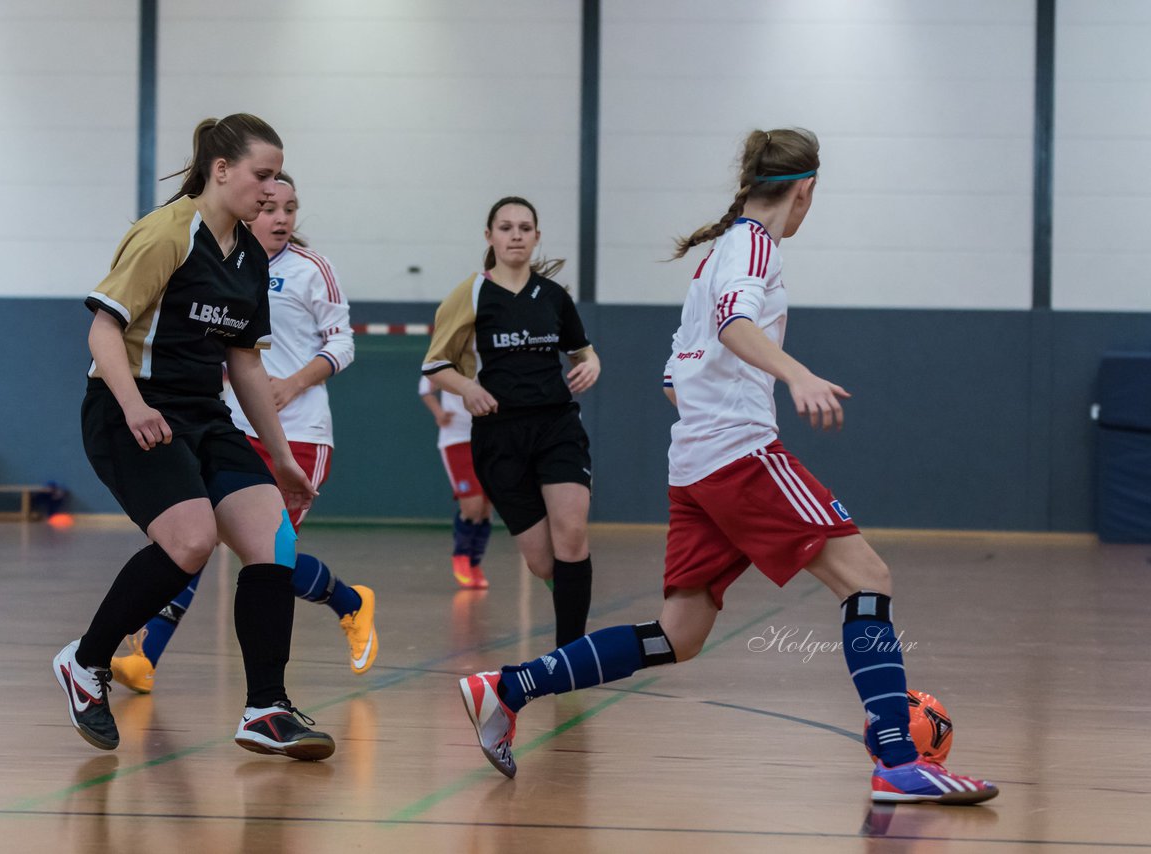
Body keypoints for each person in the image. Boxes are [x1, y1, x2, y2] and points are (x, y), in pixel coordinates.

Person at [456, 129, 999, 805]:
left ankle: (507, 688)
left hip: (694, 465)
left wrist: (725, 400)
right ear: (804, 190)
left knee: (677, 637)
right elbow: (736, 327)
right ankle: (897, 758)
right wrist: (795, 376)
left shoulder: (718, 254)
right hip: (739, 455)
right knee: (868, 577)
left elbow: (673, 378)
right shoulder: (753, 247)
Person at [53, 114, 368, 761]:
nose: (270, 188)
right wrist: (135, 403)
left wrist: (280, 458)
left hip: (204, 414)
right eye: (262, 174)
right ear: (221, 171)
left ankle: (265, 709)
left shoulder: (248, 257)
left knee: (273, 537)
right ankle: (85, 664)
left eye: (278, 176)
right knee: (192, 539)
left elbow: (245, 362)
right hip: (128, 411)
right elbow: (103, 332)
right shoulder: (166, 234)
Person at [109, 171, 375, 694]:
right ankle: (147, 655)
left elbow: (344, 344)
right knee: (196, 536)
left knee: (271, 557)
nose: (280, 218)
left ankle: (351, 603)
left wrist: (293, 384)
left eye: (290, 209)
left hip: (299, 431)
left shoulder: (311, 269)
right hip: (227, 423)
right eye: (271, 206)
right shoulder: (213, 261)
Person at [422, 197, 601, 647]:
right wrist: (468, 389)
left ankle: (571, 653)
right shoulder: (470, 294)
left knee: (572, 534)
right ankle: (570, 624)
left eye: (525, 227)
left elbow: (582, 350)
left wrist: (592, 362)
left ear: (537, 237)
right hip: (499, 436)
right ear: (490, 237)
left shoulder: (554, 296)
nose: (516, 235)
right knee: (543, 562)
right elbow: (436, 365)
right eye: (506, 227)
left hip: (557, 425)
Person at [418, 375, 494, 589]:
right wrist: (439, 414)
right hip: (456, 438)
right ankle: (461, 555)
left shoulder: (489, 350)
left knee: (487, 507)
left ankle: (475, 563)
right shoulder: (446, 350)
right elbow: (425, 388)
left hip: (487, 436)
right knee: (473, 506)